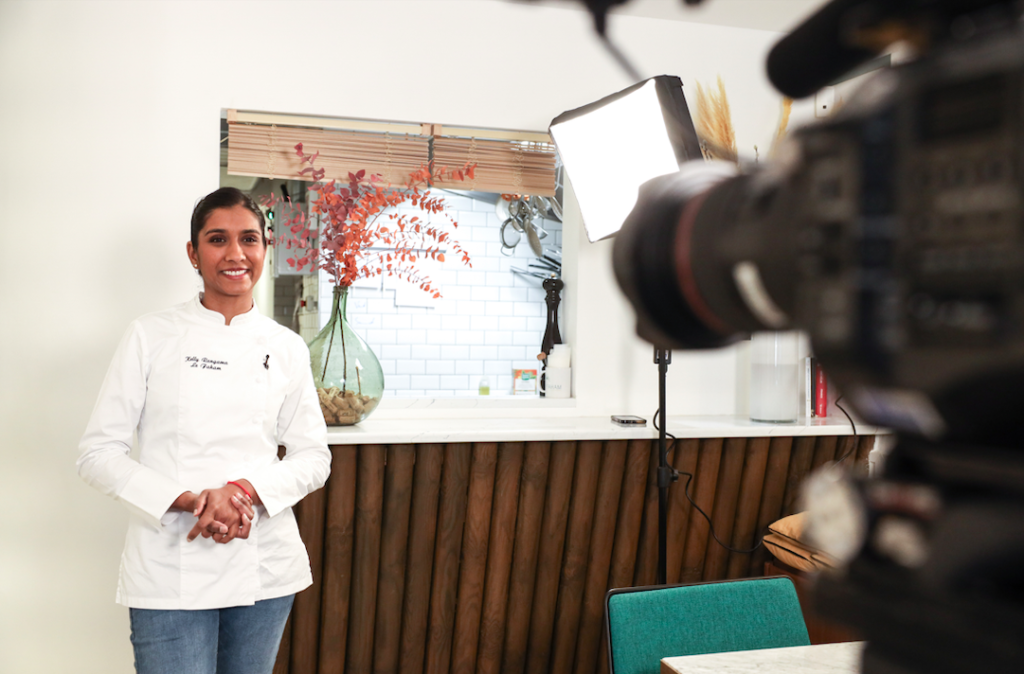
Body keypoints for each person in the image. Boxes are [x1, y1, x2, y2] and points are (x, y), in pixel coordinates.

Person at [78, 187, 331, 674]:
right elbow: (98, 454)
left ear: (265, 248)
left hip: (263, 564)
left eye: (249, 239)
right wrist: (192, 501)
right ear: (194, 253)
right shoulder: (150, 336)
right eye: (218, 239)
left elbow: (313, 457)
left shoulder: (287, 347)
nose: (236, 254)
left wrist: (239, 492)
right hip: (170, 562)